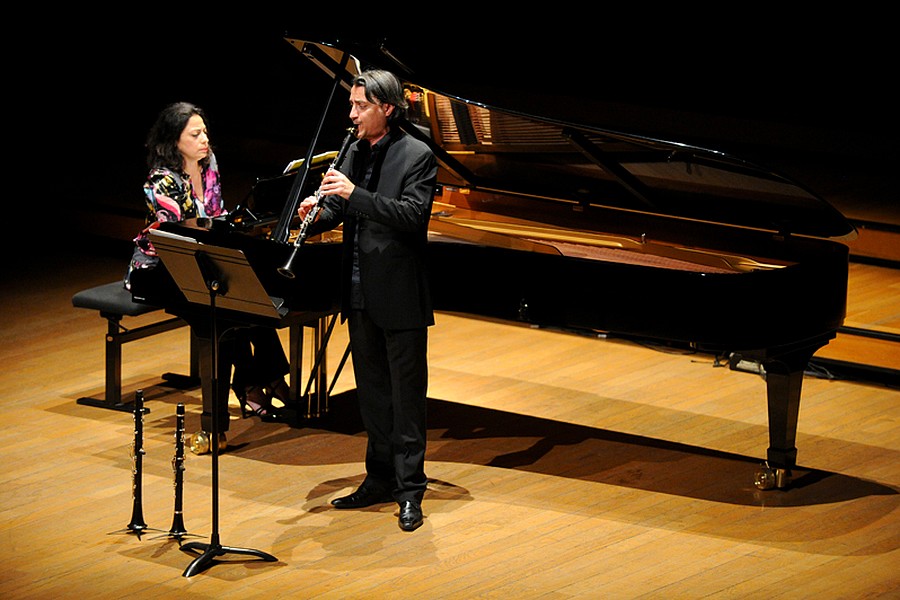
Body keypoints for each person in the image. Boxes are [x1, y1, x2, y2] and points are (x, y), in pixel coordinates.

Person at [298, 70, 438, 531]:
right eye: (352, 104)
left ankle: (410, 491)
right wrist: (316, 215)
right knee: (374, 397)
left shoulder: (418, 155)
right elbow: (341, 209)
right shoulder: (355, 150)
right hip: (358, 293)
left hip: (399, 296)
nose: (352, 114)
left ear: (388, 109)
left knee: (406, 399)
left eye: (361, 106)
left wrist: (355, 195)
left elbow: (412, 216)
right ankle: (377, 479)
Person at [125, 101, 290, 421]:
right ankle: (256, 384)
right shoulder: (160, 181)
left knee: (252, 298)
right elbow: (181, 230)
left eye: (205, 133)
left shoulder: (208, 163)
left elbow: (215, 213)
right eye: (195, 134)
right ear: (174, 141)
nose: (205, 141)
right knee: (231, 306)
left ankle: (261, 379)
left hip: (203, 257)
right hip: (162, 265)